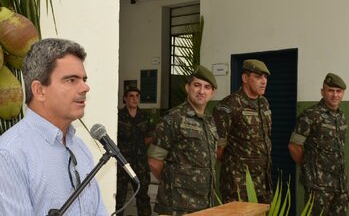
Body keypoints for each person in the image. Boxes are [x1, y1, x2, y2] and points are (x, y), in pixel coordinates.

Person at [0, 38, 108, 215]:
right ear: (39, 90)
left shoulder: (80, 148)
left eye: (84, 79)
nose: (85, 87)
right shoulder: (9, 155)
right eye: (71, 80)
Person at [147, 65, 219, 215]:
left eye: (207, 87)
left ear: (212, 93)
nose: (201, 91)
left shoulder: (210, 122)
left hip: (205, 204)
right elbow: (154, 161)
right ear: (187, 88)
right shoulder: (172, 119)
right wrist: (174, 184)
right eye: (197, 85)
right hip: (177, 206)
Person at [288, 73, 349, 216]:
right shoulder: (310, 115)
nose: (335, 95)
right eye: (331, 90)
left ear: (343, 94)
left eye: (338, 91)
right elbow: (294, 146)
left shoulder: (341, 118)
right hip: (318, 186)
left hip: (340, 185)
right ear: (323, 91)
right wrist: (308, 168)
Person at [213, 59, 273, 204]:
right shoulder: (229, 105)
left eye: (265, 77)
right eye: (258, 77)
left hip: (263, 181)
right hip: (238, 184)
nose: (263, 81)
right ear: (245, 78)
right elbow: (218, 148)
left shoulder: (263, 103)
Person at [116, 86, 152, 216]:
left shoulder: (144, 117)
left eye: (137, 96)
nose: (134, 99)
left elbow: (150, 136)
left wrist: (140, 146)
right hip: (122, 162)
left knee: (142, 196)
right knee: (119, 197)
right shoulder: (118, 116)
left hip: (140, 163)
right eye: (131, 96)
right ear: (125, 99)